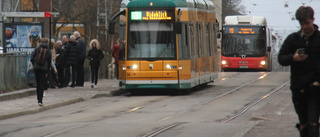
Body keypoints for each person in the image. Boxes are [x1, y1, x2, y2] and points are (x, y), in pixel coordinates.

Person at [278, 6, 320, 137]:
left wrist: (318, 82)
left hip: (315, 88)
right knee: (303, 124)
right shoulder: (293, 39)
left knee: (313, 122)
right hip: (298, 89)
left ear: (313, 20)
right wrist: (293, 58)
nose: (305, 27)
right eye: (302, 24)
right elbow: (281, 58)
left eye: (307, 23)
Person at [30, 38, 52, 106]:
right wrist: (47, 71)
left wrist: (34, 64)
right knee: (42, 83)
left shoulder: (37, 49)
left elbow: (32, 58)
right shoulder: (48, 51)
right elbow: (49, 62)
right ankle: (40, 100)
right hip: (44, 69)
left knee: (38, 83)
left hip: (37, 68)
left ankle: (38, 98)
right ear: (47, 43)